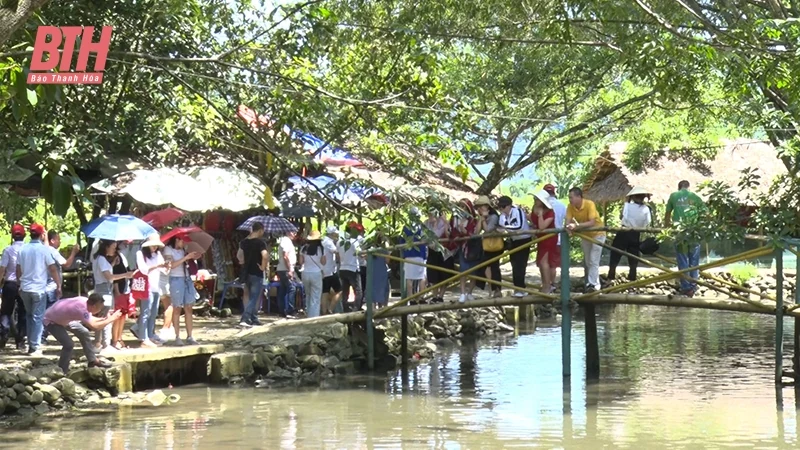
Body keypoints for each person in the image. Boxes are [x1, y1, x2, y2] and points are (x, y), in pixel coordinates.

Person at [44, 294, 120, 373]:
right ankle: (62, 370)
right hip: (51, 321)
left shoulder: (85, 302)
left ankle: (92, 360)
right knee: (68, 345)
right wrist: (111, 319)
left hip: (65, 319)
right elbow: (95, 327)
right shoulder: (81, 310)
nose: (101, 310)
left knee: (84, 332)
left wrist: (104, 319)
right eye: (100, 308)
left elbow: (90, 319)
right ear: (94, 306)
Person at [16, 223, 59, 357]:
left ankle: (31, 343)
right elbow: (52, 268)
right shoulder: (44, 250)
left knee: (30, 316)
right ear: (42, 235)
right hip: (39, 289)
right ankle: (34, 346)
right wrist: (58, 284)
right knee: (38, 317)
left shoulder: (23, 249)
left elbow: (18, 270)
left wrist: (20, 284)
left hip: (25, 288)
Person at [92, 239, 134, 352]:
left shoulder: (99, 259)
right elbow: (109, 277)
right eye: (113, 247)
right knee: (106, 317)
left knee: (101, 317)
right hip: (104, 290)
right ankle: (105, 344)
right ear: (106, 247)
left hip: (103, 289)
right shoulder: (101, 259)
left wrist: (112, 264)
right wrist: (126, 274)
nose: (114, 250)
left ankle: (98, 343)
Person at [665, 180, 705, 297]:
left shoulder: (674, 196)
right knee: (694, 260)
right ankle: (693, 285)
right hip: (694, 232)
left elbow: (667, 214)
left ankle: (686, 287)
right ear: (689, 187)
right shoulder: (695, 197)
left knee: (682, 259)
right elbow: (705, 214)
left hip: (680, 232)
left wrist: (666, 228)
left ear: (679, 188)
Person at [163, 235, 202, 345]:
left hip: (186, 278)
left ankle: (190, 336)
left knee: (189, 307)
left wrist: (193, 257)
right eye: (182, 241)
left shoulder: (184, 250)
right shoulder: (168, 249)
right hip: (175, 279)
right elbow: (171, 265)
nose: (184, 243)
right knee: (177, 308)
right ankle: (177, 336)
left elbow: (188, 264)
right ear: (177, 240)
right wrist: (186, 257)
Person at [565, 187, 606, 292]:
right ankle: (592, 283)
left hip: (598, 234)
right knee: (588, 261)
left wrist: (576, 227)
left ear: (579, 197)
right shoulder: (570, 207)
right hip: (586, 235)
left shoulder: (589, 204)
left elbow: (592, 222)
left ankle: (593, 285)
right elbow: (568, 221)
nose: (570, 200)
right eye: (569, 198)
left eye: (571, 197)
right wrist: (569, 228)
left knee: (593, 260)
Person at [608, 186, 652, 282]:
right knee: (633, 255)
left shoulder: (627, 206)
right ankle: (632, 276)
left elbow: (623, 217)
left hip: (624, 232)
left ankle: (611, 275)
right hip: (636, 233)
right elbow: (647, 223)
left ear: (633, 197)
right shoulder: (646, 209)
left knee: (615, 253)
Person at [134, 235, 170, 348]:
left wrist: (167, 267)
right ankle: (143, 338)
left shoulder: (158, 254)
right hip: (146, 286)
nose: (154, 247)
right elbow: (144, 269)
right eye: (152, 245)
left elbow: (164, 271)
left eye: (156, 245)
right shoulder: (140, 254)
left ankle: (150, 335)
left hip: (156, 287)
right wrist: (157, 265)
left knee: (153, 313)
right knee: (145, 312)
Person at [497, 196, 532, 297]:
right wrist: (504, 221)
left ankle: (521, 289)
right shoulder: (503, 215)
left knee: (520, 265)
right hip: (514, 241)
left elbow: (519, 226)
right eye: (500, 207)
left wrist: (505, 228)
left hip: (524, 240)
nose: (501, 209)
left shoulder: (518, 211)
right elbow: (501, 223)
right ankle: (518, 289)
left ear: (509, 206)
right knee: (514, 264)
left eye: (503, 207)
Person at [0, 224, 27, 350]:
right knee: (23, 312)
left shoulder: (8, 250)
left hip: (10, 284)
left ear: (12, 236)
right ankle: (20, 340)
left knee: (5, 311)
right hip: (24, 283)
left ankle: (3, 335)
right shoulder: (28, 250)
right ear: (24, 235)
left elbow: (2, 269)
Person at [239, 222, 268, 327]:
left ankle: (254, 318)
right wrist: (263, 267)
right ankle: (245, 318)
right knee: (254, 297)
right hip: (257, 272)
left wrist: (243, 263)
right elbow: (265, 255)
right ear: (260, 230)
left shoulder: (244, 242)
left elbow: (240, 256)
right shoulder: (261, 243)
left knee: (249, 295)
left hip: (247, 272)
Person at [451, 199, 480, 303]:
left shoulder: (473, 220)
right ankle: (462, 293)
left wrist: (465, 232)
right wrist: (457, 236)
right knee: (463, 271)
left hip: (472, 247)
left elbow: (474, 233)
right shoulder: (455, 219)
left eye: (463, 207)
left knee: (474, 271)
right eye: (460, 206)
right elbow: (452, 231)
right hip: (462, 248)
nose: (461, 209)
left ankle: (469, 292)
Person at [474, 196, 502, 298]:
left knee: (495, 268)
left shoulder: (493, 216)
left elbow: (488, 230)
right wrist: (481, 219)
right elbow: (476, 231)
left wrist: (483, 220)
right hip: (486, 246)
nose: (479, 209)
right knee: (483, 266)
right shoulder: (483, 217)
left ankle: (497, 290)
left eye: (481, 206)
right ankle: (489, 288)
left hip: (494, 246)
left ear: (486, 206)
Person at [531, 191, 559, 294]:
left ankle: (548, 285)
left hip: (549, 238)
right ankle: (544, 284)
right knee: (540, 263)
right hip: (541, 238)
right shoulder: (534, 208)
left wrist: (540, 215)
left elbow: (542, 226)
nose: (535, 200)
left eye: (537, 199)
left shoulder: (550, 212)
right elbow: (534, 222)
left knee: (544, 262)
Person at [400, 207, 427, 302]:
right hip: (419, 255)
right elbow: (425, 240)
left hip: (408, 255)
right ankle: (421, 297)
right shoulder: (421, 227)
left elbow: (401, 242)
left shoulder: (405, 227)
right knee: (421, 277)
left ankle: (410, 298)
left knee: (409, 277)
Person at [425, 209, 452, 303]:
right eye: (429, 214)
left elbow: (437, 234)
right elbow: (423, 235)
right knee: (432, 275)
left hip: (444, 252)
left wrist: (437, 223)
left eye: (432, 214)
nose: (430, 216)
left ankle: (441, 296)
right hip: (432, 252)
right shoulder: (426, 223)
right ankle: (434, 296)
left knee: (444, 275)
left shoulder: (444, 222)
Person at [543, 184, 567, 289]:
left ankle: (546, 285)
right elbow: (568, 220)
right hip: (558, 238)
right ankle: (551, 284)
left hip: (544, 238)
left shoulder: (543, 206)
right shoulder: (562, 205)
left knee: (544, 262)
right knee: (553, 264)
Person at [110, 242, 134, 349]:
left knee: (123, 315)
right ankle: (115, 339)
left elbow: (127, 270)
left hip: (126, 287)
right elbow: (114, 273)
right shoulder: (114, 258)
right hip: (119, 289)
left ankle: (120, 337)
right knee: (117, 315)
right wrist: (116, 291)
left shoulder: (122, 256)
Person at [299, 230, 326, 318]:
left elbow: (300, 262)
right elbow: (323, 262)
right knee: (316, 296)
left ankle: (308, 313)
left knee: (308, 294)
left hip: (305, 273)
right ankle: (314, 316)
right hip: (316, 273)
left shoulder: (303, 248)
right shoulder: (321, 249)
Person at [339, 222, 364, 312]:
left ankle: (345, 309)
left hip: (342, 268)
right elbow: (361, 254)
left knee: (345, 291)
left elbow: (338, 256)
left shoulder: (340, 242)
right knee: (358, 291)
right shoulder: (354, 242)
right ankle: (356, 309)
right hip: (353, 268)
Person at [276, 229, 297, 317]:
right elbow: (285, 255)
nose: (294, 234)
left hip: (282, 268)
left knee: (283, 289)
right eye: (293, 232)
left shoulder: (285, 241)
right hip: (285, 269)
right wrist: (290, 269)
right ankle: (289, 310)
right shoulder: (286, 241)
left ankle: (282, 310)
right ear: (288, 232)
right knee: (291, 288)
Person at [322, 226, 343, 314]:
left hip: (324, 270)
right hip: (331, 270)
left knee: (325, 291)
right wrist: (341, 260)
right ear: (331, 234)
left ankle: (324, 311)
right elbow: (336, 252)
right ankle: (330, 308)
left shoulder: (323, 241)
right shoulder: (329, 242)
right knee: (340, 290)